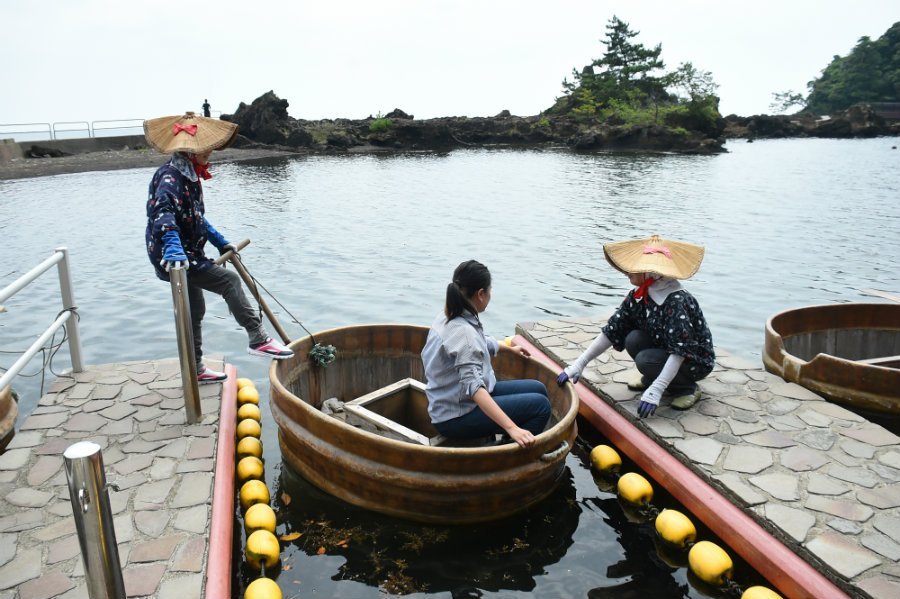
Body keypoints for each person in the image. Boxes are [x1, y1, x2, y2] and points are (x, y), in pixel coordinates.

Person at [144, 111, 293, 385]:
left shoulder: (187, 175)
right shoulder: (169, 178)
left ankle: (196, 369)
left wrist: (218, 239)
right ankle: (258, 339)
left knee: (194, 311)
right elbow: (163, 215)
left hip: (189, 252)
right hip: (175, 255)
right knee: (229, 281)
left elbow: (195, 217)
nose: (210, 153)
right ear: (190, 151)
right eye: (205, 149)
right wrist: (174, 250)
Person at [557, 235, 715, 418]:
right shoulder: (640, 295)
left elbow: (680, 351)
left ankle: (686, 388)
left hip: (693, 360)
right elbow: (613, 329)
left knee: (645, 359)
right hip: (663, 347)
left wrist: (657, 389)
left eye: (634, 268)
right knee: (632, 338)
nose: (627, 272)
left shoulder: (676, 300)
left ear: (651, 273)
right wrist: (579, 364)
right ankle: (652, 376)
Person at [421, 260, 552, 448]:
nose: (491, 295)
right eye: (490, 290)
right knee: (541, 407)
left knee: (538, 388)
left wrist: (509, 348)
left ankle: (510, 437)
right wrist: (512, 428)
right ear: (481, 294)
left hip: (453, 399)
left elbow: (479, 343)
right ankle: (505, 453)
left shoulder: (450, 314)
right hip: (456, 416)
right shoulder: (463, 333)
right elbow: (475, 388)